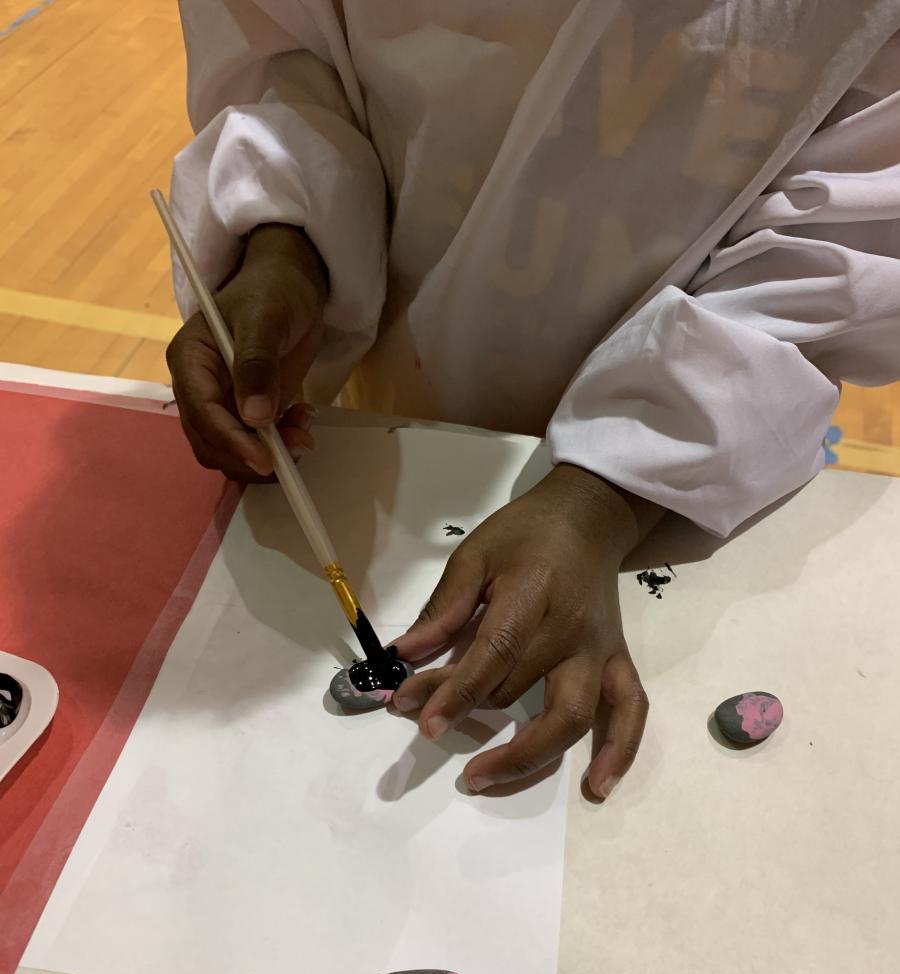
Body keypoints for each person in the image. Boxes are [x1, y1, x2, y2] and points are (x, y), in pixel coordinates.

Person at [166, 2, 900, 798]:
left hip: (707, 452)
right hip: (408, 418)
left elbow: (852, 228)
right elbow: (285, 52)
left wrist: (609, 495)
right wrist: (285, 242)